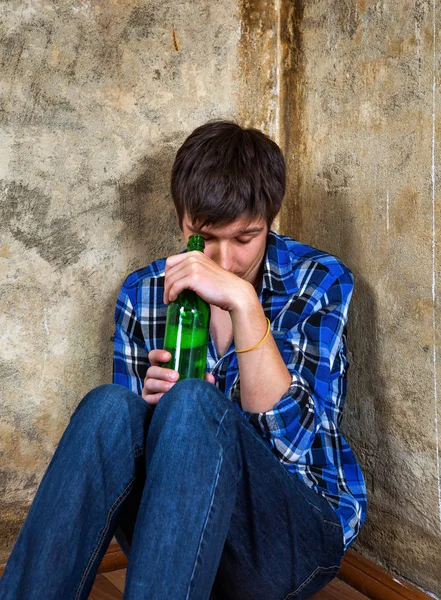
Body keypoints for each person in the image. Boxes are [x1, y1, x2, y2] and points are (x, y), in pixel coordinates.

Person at [0, 120, 367, 600]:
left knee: (193, 399)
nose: (224, 259)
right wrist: (157, 415)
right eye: (205, 236)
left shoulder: (318, 281)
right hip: (177, 541)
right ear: (181, 220)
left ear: (269, 221)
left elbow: (294, 452)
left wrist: (244, 304)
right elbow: (129, 476)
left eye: (245, 239)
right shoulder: (144, 292)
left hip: (289, 538)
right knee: (110, 406)